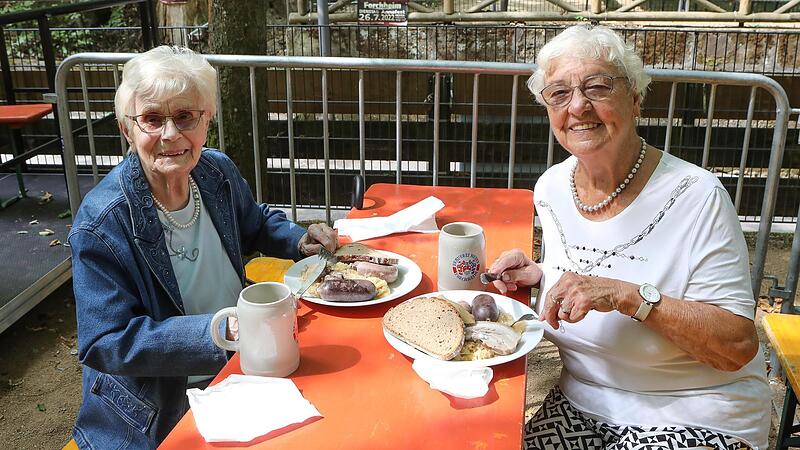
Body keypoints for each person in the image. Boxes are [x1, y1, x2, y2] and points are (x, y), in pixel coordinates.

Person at [487, 25, 770, 450]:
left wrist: (628, 296)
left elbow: (735, 346)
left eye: (597, 87)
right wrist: (540, 274)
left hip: (698, 412)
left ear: (635, 98)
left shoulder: (698, 196)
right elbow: (590, 267)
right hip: (583, 402)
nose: (578, 105)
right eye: (559, 93)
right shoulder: (550, 187)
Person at [67, 46, 337, 449]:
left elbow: (255, 221)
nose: (171, 134)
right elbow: (105, 342)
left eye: (185, 117)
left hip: (248, 361)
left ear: (206, 120)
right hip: (163, 406)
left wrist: (299, 239)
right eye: (152, 119)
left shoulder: (215, 170)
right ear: (128, 129)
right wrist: (217, 332)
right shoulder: (102, 222)